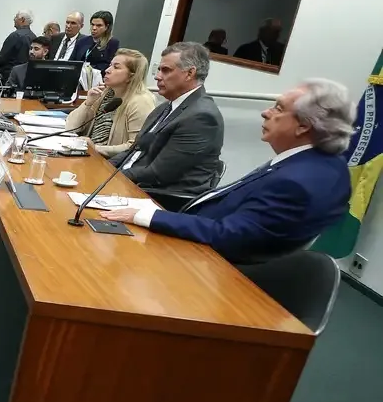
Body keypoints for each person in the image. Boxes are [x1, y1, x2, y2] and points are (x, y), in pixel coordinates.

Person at [102, 79, 353, 264]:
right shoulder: (320, 164)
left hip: (215, 269)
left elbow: (232, 236)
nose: (266, 112)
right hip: (201, 244)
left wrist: (147, 216)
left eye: (278, 108)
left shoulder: (298, 181)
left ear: (303, 126)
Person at [113, 42, 224, 196]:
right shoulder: (168, 105)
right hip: (131, 183)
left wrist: (112, 177)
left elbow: (159, 173)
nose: (157, 76)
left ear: (190, 73)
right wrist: (104, 168)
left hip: (159, 196)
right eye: (159, 69)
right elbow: (134, 151)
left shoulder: (201, 117)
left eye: (165, 70)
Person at [65, 49, 156, 159]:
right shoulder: (106, 93)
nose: (107, 70)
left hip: (113, 164)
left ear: (131, 76)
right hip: (88, 155)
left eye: (116, 67)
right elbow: (71, 128)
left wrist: (96, 148)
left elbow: (136, 146)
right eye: (110, 65)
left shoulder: (141, 102)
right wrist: (88, 103)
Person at [0, 9, 35, 74]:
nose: (14, 19)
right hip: (26, 74)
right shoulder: (33, 36)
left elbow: (2, 57)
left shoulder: (15, 36)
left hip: (10, 75)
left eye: (16, 17)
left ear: (22, 20)